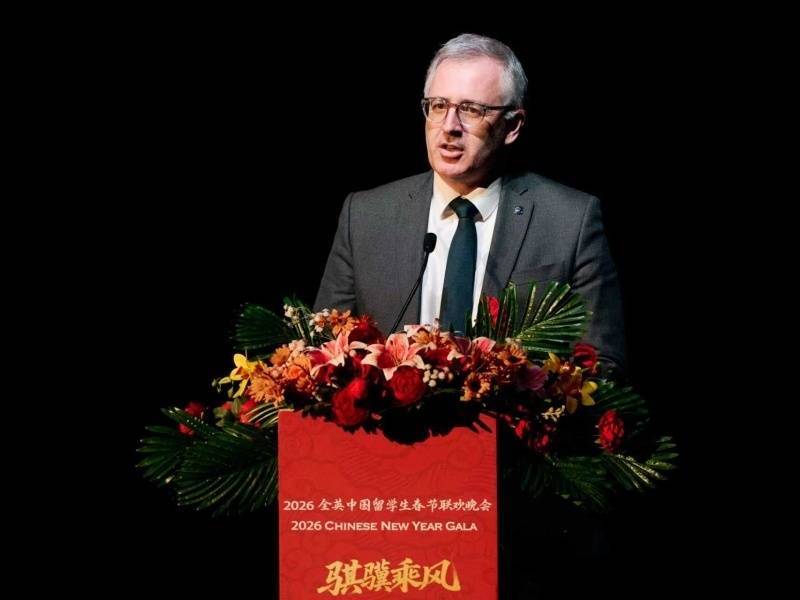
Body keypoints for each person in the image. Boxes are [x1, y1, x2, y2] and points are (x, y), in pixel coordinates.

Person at [315, 33, 625, 373]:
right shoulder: (366, 216)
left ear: (512, 126)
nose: (449, 126)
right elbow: (322, 353)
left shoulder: (569, 221)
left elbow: (601, 365)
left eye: (471, 110)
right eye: (439, 106)